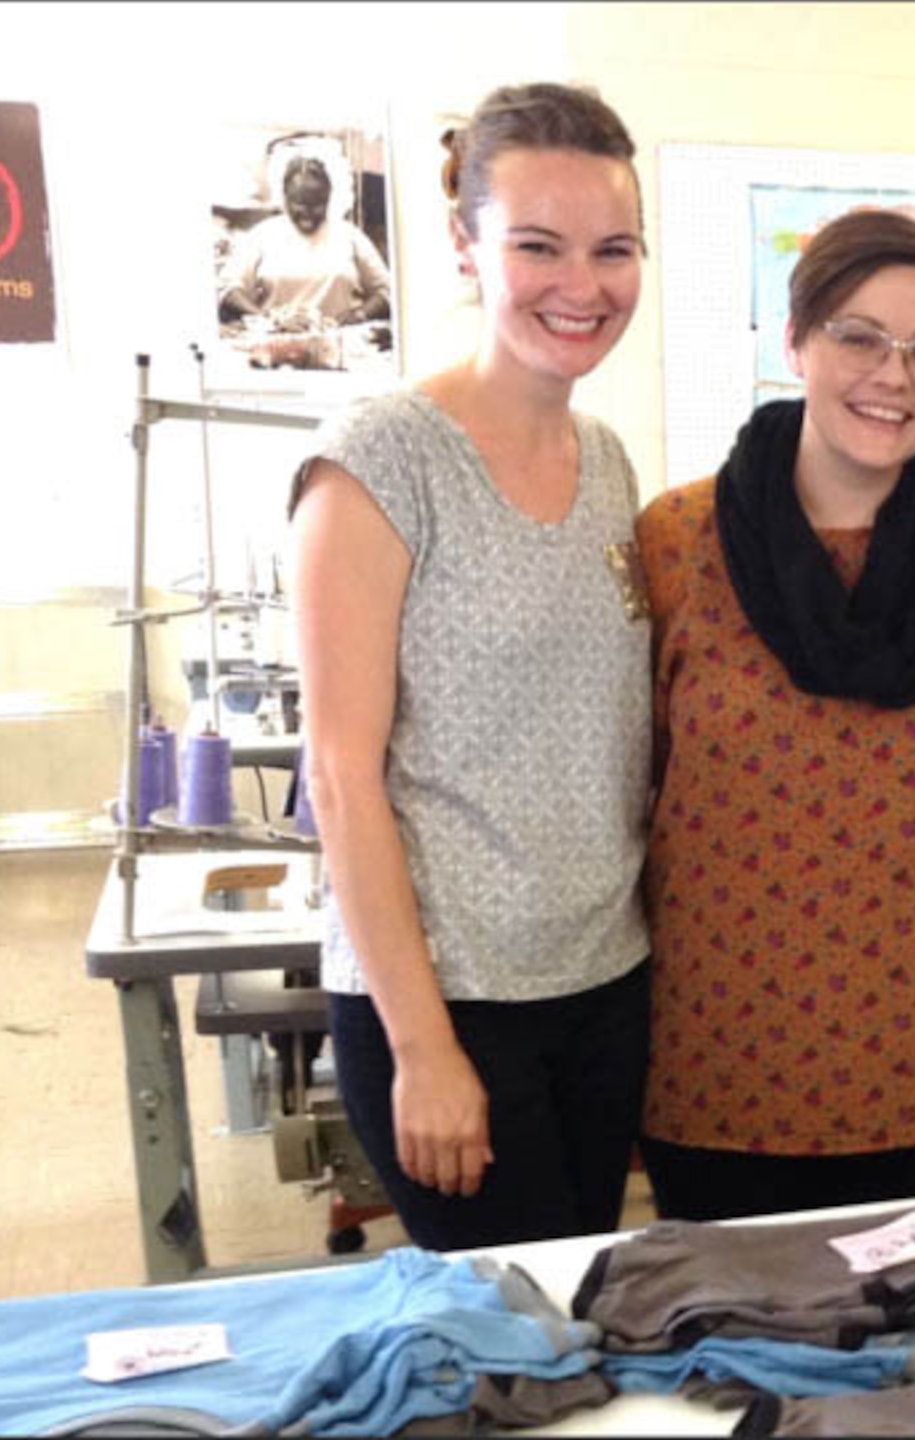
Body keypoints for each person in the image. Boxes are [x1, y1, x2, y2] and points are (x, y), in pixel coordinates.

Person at [634, 208, 915, 1221]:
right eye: (857, 336)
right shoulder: (676, 541)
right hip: (720, 1072)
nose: (894, 374)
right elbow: (629, 784)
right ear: (794, 340)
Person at [287, 83, 652, 1249]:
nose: (580, 287)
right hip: (451, 997)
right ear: (464, 246)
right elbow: (340, 774)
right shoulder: (379, 458)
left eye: (612, 249)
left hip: (601, 979)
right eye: (536, 246)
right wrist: (422, 1047)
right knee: (511, 1340)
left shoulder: (606, 461)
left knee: (584, 1310)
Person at [221, 154, 393, 331]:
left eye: (318, 204)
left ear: (328, 199)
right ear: (286, 199)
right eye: (300, 204)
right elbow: (228, 289)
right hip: (277, 339)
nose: (308, 213)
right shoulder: (262, 235)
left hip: (341, 340)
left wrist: (360, 314)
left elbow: (387, 290)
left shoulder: (349, 235)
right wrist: (266, 320)